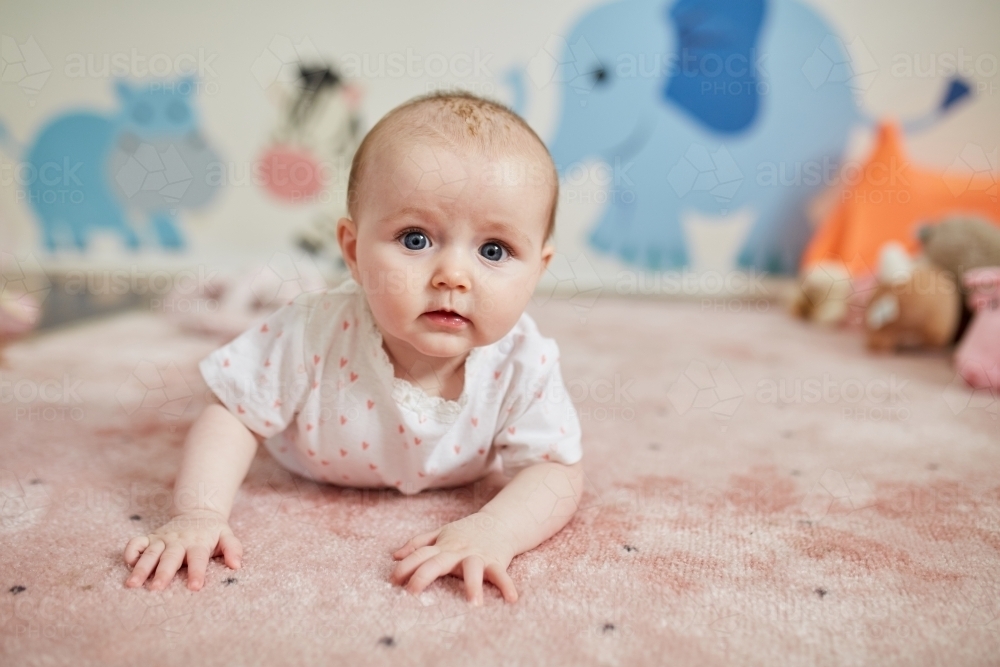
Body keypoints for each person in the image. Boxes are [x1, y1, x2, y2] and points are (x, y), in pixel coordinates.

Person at [123, 91, 585, 606]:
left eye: (494, 250)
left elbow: (556, 469)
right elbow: (232, 413)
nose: (453, 276)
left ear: (538, 269)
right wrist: (199, 513)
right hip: (308, 458)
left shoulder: (525, 360)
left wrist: (495, 531)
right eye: (415, 239)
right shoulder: (312, 330)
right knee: (243, 374)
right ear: (353, 251)